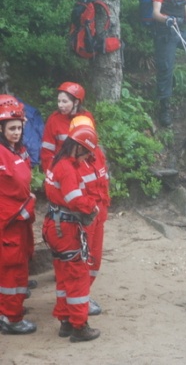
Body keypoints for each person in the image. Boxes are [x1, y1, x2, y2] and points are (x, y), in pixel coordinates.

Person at [42, 125, 101, 342]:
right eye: (86, 152)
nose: (86, 157)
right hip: (65, 228)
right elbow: (75, 200)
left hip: (54, 225)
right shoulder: (66, 168)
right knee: (77, 276)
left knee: (64, 275)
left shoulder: (57, 162)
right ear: (77, 147)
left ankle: (65, 320)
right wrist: (92, 206)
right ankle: (79, 326)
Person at [0, 95, 37, 334]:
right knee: (12, 270)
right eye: (11, 128)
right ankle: (11, 319)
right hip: (9, 223)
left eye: (19, 127)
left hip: (18, 221)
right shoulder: (3, 155)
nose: (16, 132)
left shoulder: (16, 150)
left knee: (16, 266)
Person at [69, 115, 110, 317]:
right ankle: (79, 299)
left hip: (98, 215)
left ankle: (85, 294)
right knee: (82, 261)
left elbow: (104, 184)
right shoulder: (71, 163)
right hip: (83, 218)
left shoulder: (98, 155)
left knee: (94, 259)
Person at [40, 82, 96, 173]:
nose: (60, 105)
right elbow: (47, 151)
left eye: (64, 101)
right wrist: (51, 172)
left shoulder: (87, 118)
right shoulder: (54, 119)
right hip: (61, 170)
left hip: (83, 169)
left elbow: (92, 148)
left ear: (76, 102)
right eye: (59, 101)